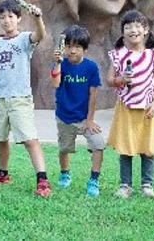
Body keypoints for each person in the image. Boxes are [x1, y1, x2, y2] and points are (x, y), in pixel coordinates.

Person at [0, 0, 52, 197]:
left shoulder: (25, 39)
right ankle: (2, 174)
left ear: (18, 18)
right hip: (0, 99)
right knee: (1, 138)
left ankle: (42, 180)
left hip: (20, 98)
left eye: (10, 16)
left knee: (29, 139)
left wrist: (38, 19)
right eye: (2, 17)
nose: (6, 20)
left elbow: (40, 35)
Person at [107, 10, 154, 199]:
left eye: (137, 26)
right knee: (126, 148)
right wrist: (121, 79)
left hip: (147, 109)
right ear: (123, 32)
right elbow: (109, 80)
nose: (133, 30)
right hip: (126, 108)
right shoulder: (118, 56)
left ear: (145, 30)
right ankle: (125, 186)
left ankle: (147, 185)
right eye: (128, 27)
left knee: (147, 148)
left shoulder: (153, 56)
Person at [50, 25, 105, 197]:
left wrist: (90, 119)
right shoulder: (61, 64)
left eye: (77, 47)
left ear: (85, 48)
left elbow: (93, 95)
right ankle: (65, 173)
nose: (72, 51)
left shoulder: (91, 67)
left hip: (84, 118)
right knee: (64, 148)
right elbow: (55, 84)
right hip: (64, 116)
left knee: (98, 144)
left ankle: (93, 180)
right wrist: (57, 63)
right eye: (69, 46)